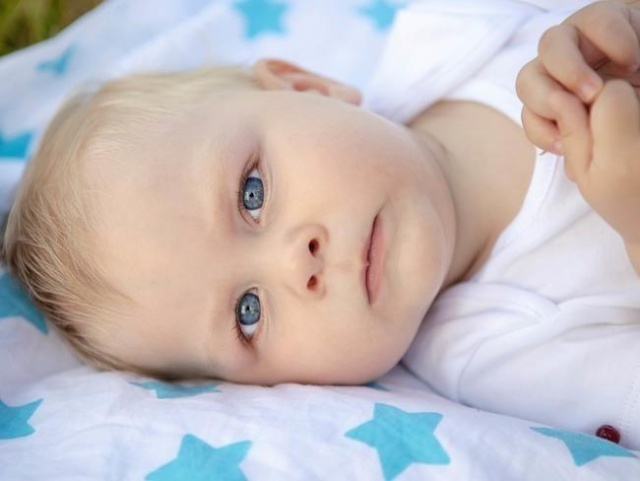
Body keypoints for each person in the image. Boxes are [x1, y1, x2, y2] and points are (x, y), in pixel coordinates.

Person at [2, 0, 640, 448]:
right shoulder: (505, 358)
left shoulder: (458, 28)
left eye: (251, 193)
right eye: (247, 313)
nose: (294, 264)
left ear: (305, 87)